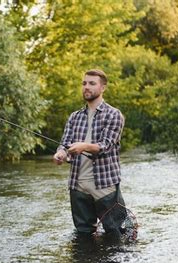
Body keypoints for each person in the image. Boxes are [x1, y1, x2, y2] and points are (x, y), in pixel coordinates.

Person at [53, 69, 126, 236]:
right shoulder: (74, 117)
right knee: (83, 235)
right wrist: (60, 154)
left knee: (118, 235)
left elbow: (106, 145)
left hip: (104, 186)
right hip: (77, 185)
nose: (86, 87)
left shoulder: (114, 115)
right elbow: (64, 144)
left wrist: (83, 146)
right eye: (84, 83)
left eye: (92, 83)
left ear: (103, 88)